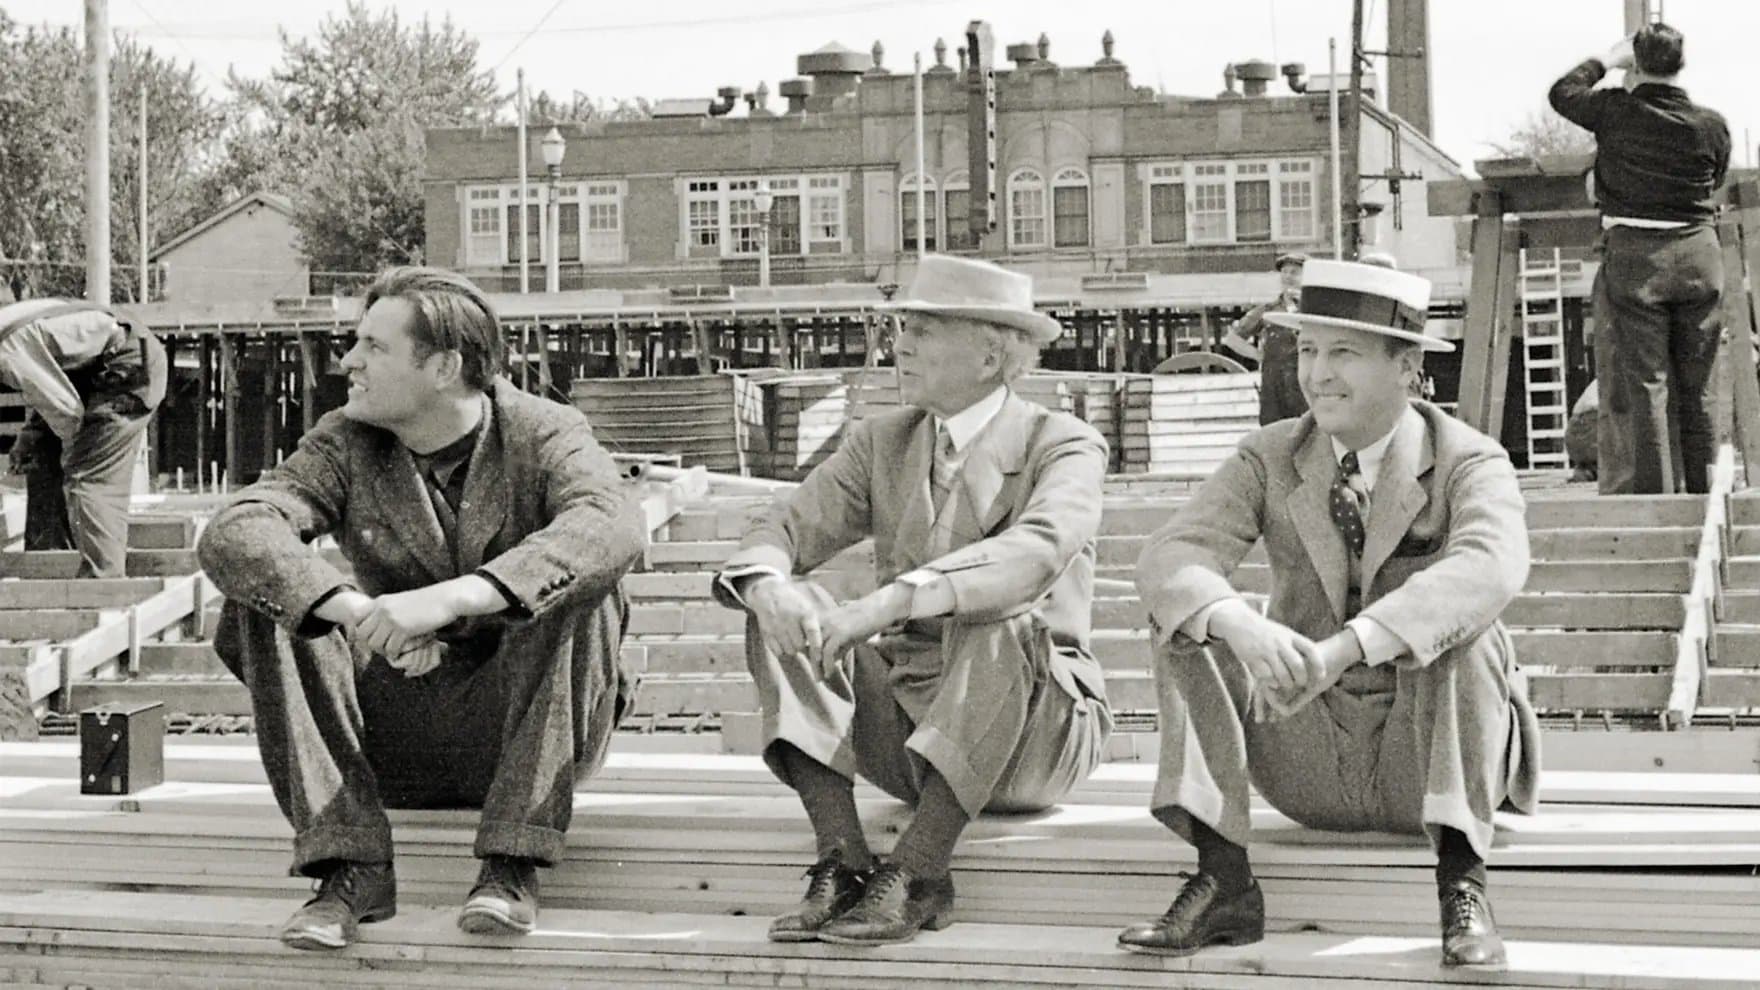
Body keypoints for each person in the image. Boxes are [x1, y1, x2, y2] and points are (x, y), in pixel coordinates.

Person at [196, 267, 643, 950]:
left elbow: (611, 526)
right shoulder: (346, 439)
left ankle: (511, 865)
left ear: (443, 367)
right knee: (271, 595)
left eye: (374, 346)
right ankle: (350, 869)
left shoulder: (544, 430)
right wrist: (359, 613)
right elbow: (237, 528)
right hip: (397, 731)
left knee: (584, 585)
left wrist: (450, 599)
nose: (348, 361)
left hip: (522, 728)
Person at [1118, 260, 1541, 969]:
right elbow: (1171, 554)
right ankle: (1223, 880)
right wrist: (1238, 622)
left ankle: (1463, 886)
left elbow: (1490, 567)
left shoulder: (1469, 459)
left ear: (1406, 367)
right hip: (1307, 757)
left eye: (1343, 352)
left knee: (1469, 630)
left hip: (1426, 759)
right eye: (1308, 350)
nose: (1318, 374)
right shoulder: (1270, 454)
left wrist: (1347, 646)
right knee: (1189, 617)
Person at [711, 254, 1113, 947]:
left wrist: (891, 601)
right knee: (777, 607)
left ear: (991, 355)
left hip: (1034, 734)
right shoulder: (884, 441)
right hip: (912, 733)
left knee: (1002, 614)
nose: (901, 345)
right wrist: (768, 584)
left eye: (923, 330)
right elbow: (782, 528)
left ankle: (921, 872)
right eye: (903, 328)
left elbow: (1036, 553)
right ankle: (843, 862)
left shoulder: (1064, 443)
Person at [1549, 22, 1730, 494]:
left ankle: (1657, 501)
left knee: (1647, 385)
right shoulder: (1712, 125)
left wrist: (1606, 61)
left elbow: (1562, 93)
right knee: (1699, 384)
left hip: (1637, 260)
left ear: (1636, 64)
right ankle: (1707, 495)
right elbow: (1714, 182)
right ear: (1681, 64)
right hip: (1699, 255)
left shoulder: (1614, 111)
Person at [0, 298, 167, 577]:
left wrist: (75, 456)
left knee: (89, 478)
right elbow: (53, 382)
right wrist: (32, 435)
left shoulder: (8, 351)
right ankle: (50, 569)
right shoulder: (8, 333)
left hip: (126, 369)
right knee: (43, 454)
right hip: (98, 366)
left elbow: (65, 412)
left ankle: (104, 584)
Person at [1220, 252, 1307, 425]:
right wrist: (1259, 355)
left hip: (1306, 383)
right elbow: (1232, 338)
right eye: (1284, 272)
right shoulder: (1268, 310)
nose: (1288, 277)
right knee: (1273, 431)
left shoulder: (1315, 310)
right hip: (1274, 385)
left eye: (1294, 272)